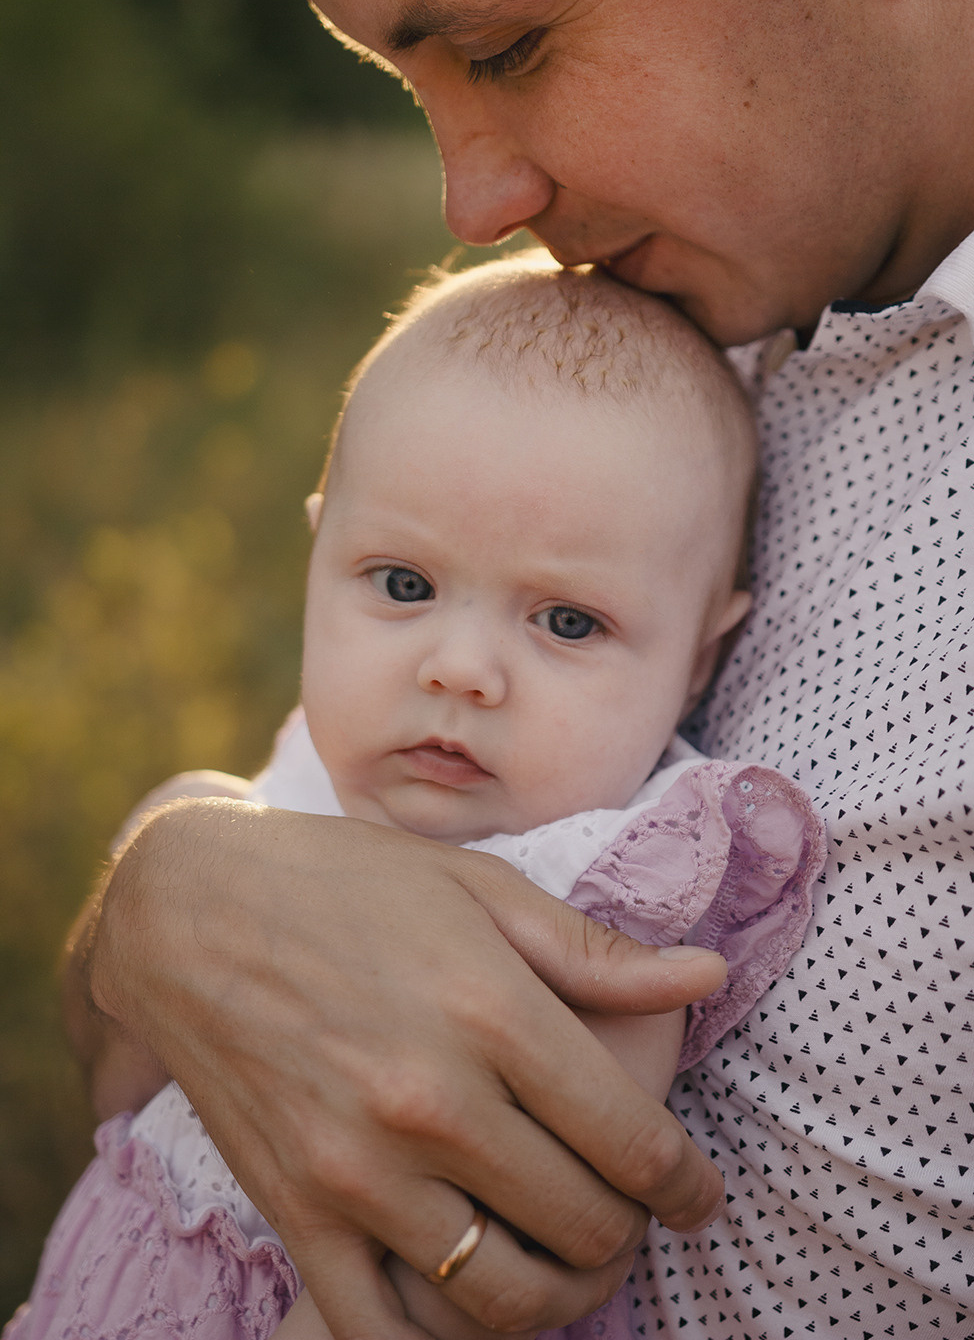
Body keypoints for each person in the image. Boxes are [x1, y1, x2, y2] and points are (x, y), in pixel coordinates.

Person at [64, 0, 974, 1335]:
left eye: (507, 45)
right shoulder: (671, 311)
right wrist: (169, 894)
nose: (469, 201)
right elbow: (164, 1028)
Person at [7, 259, 826, 1340]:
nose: (459, 668)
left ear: (695, 658)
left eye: (568, 622)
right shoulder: (300, 785)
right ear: (316, 556)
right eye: (402, 584)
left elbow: (471, 1273)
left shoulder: (608, 900)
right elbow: (125, 1091)